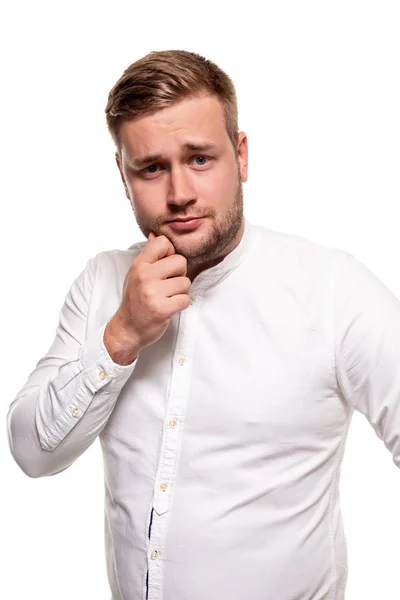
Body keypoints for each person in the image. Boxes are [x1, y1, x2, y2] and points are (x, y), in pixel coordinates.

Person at [6, 49, 400, 600]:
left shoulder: (333, 291)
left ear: (241, 157)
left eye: (199, 159)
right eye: (151, 167)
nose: (179, 193)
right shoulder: (102, 283)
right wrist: (121, 336)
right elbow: (32, 452)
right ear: (123, 176)